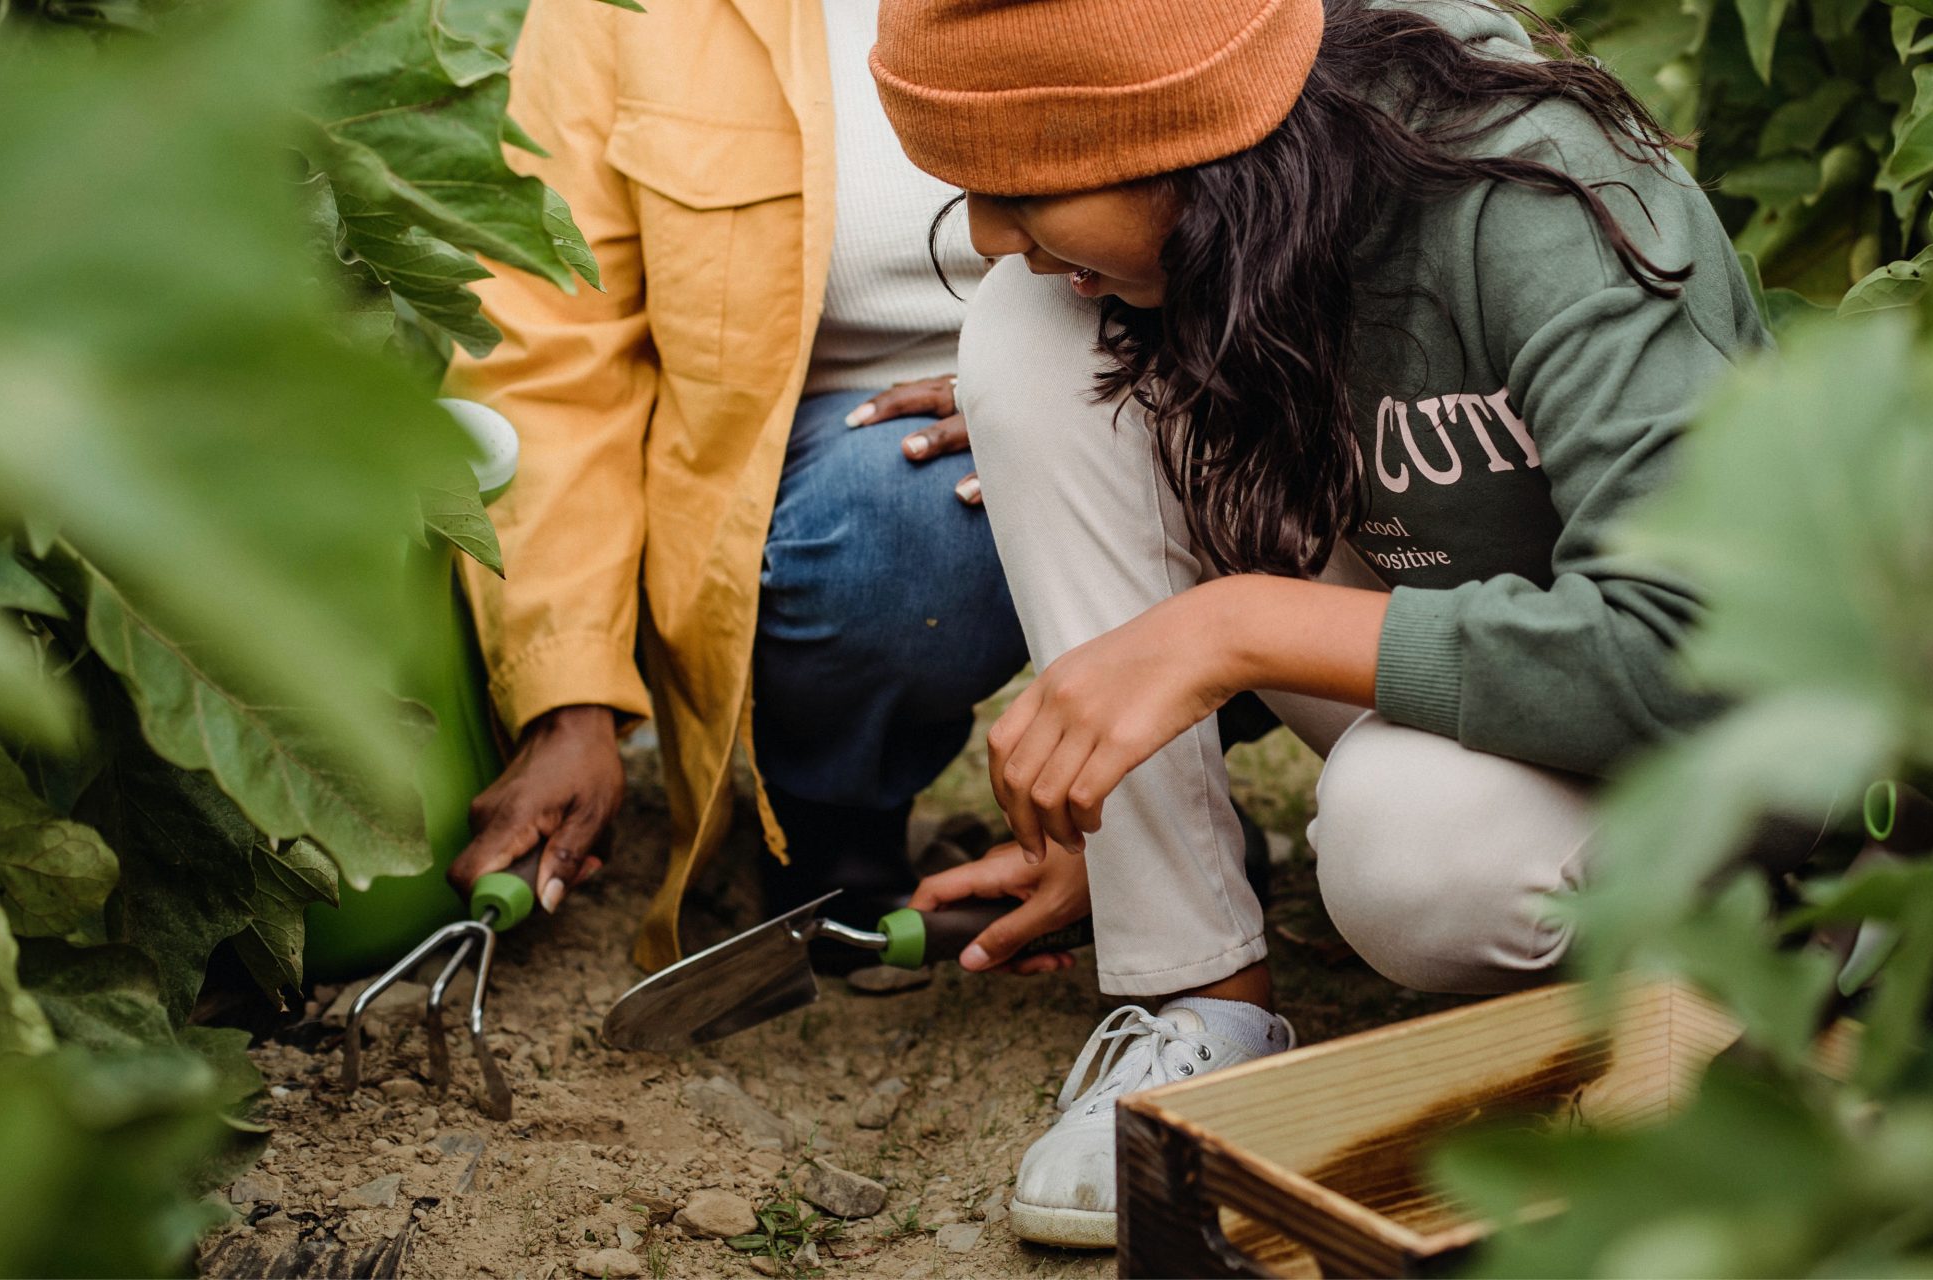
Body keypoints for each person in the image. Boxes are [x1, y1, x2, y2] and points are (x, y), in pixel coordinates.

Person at [870, 0, 1768, 1248]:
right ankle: (1196, 997)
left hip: (1713, 749)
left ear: (1192, 128)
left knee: (1407, 842)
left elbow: (1700, 649)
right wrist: (1121, 795)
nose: (986, 234)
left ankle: (1751, 949)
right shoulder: (1240, 210)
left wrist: (1230, 628)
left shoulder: (1533, 193)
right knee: (1026, 341)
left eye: (1024, 190)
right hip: (1471, 661)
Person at [443, 0, 1027, 971]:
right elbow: (552, 356)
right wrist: (570, 700)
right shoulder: (626, 17)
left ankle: (1161, 825)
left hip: (1140, 376)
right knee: (895, 536)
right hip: (854, 438)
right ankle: (832, 825)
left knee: (1266, 489)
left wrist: (1059, 393)